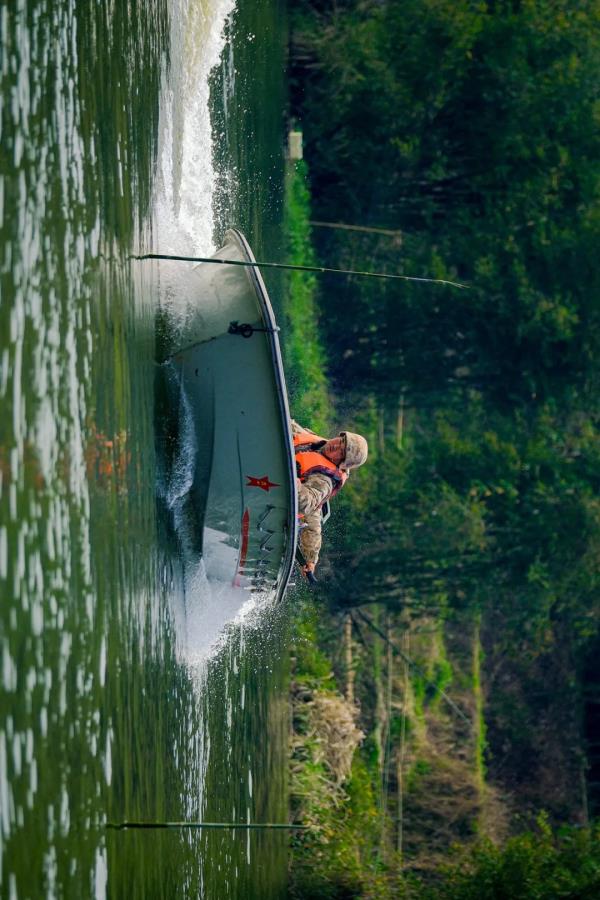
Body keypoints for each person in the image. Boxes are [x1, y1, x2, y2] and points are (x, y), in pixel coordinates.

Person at [291, 419, 368, 580]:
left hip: (276, 496)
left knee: (312, 517)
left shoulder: (324, 481)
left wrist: (310, 559)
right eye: (341, 441)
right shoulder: (313, 441)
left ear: (341, 463)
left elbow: (305, 506)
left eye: (342, 451)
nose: (336, 446)